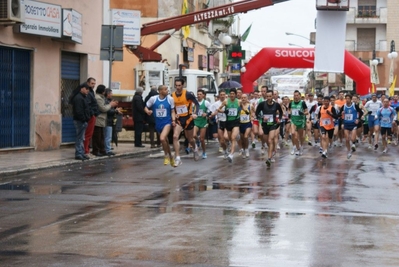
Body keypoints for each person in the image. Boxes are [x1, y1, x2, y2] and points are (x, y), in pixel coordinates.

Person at [145, 85, 176, 166]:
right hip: (158, 123)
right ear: (160, 91)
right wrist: (148, 111)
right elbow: (145, 107)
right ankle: (171, 157)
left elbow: (172, 111)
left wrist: (173, 120)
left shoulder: (170, 99)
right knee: (165, 141)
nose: (167, 91)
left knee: (162, 138)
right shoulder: (153, 99)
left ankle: (166, 156)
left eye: (167, 89)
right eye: (165, 89)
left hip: (167, 122)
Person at [171, 78, 200, 166]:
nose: (178, 87)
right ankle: (178, 158)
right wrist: (174, 114)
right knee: (175, 137)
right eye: (176, 85)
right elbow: (172, 108)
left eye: (179, 85)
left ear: (183, 85)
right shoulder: (172, 95)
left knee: (190, 139)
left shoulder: (188, 94)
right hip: (179, 119)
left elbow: (197, 104)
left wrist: (195, 113)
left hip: (188, 119)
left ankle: (195, 148)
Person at [255, 90, 283, 167]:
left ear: (272, 96)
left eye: (270, 96)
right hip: (265, 125)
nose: (268, 98)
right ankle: (272, 151)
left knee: (270, 140)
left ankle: (269, 158)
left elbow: (281, 112)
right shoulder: (262, 104)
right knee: (267, 141)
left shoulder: (276, 105)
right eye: (267, 96)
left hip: (273, 125)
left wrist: (279, 119)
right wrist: (261, 117)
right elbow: (257, 113)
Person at [93, 85, 118, 156]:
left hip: (102, 120)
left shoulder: (101, 98)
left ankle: (102, 150)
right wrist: (110, 105)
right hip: (99, 119)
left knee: (101, 136)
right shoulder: (99, 98)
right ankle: (98, 150)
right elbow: (103, 108)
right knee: (98, 136)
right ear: (103, 91)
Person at [217, 88, 241, 163]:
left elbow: (244, 108)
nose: (232, 95)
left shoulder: (238, 101)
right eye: (231, 94)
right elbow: (218, 109)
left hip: (236, 121)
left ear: (236, 94)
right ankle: (237, 137)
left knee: (233, 138)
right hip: (228, 122)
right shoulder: (226, 101)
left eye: (233, 94)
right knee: (230, 138)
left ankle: (231, 154)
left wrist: (242, 110)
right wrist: (224, 111)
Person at [70, 83, 91, 160]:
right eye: (86, 89)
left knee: (81, 138)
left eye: (88, 89)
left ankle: (81, 153)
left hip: (82, 120)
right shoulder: (79, 98)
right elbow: (79, 111)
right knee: (80, 138)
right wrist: (84, 119)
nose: (87, 91)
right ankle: (79, 153)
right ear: (82, 88)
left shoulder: (82, 97)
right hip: (80, 121)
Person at [340, 94, 362, 159]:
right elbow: (340, 115)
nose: (347, 100)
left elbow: (361, 112)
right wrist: (342, 122)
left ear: (351, 99)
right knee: (347, 139)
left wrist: (358, 119)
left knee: (352, 138)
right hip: (346, 124)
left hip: (353, 124)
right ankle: (349, 151)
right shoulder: (343, 106)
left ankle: (353, 144)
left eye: (348, 98)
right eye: (346, 98)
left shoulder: (354, 105)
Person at [289, 90, 309, 156]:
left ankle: (301, 146)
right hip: (293, 121)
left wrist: (302, 113)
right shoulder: (291, 103)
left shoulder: (302, 103)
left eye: (297, 95)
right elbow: (289, 110)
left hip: (300, 121)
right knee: (293, 134)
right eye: (295, 95)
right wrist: (289, 113)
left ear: (300, 96)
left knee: (300, 136)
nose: (296, 97)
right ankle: (297, 148)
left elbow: (307, 112)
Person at [193, 89, 211, 159]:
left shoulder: (206, 102)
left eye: (200, 94)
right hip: (196, 121)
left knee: (202, 139)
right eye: (198, 94)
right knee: (194, 135)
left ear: (203, 95)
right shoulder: (194, 102)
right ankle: (197, 141)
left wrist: (206, 114)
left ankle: (204, 152)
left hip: (203, 122)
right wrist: (193, 114)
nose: (199, 96)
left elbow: (211, 110)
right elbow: (192, 111)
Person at [84, 77, 99, 157]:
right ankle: (85, 151)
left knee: (89, 134)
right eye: (92, 83)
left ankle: (87, 150)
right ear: (88, 83)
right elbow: (89, 105)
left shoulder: (91, 92)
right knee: (87, 134)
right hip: (90, 116)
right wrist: (92, 113)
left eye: (94, 84)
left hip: (92, 115)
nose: (93, 85)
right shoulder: (88, 93)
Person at [104, 89, 122, 156]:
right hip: (107, 121)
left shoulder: (108, 101)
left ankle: (107, 148)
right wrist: (116, 111)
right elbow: (108, 111)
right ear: (108, 94)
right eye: (111, 93)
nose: (112, 94)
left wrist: (115, 109)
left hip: (110, 121)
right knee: (107, 136)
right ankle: (107, 150)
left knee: (108, 136)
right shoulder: (106, 101)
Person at [239, 93, 253, 159]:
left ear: (247, 98)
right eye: (242, 98)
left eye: (245, 97)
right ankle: (244, 149)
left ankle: (247, 149)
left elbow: (254, 113)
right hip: (241, 124)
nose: (243, 99)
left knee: (246, 136)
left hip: (248, 123)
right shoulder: (239, 106)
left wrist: (252, 117)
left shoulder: (250, 105)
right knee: (242, 138)